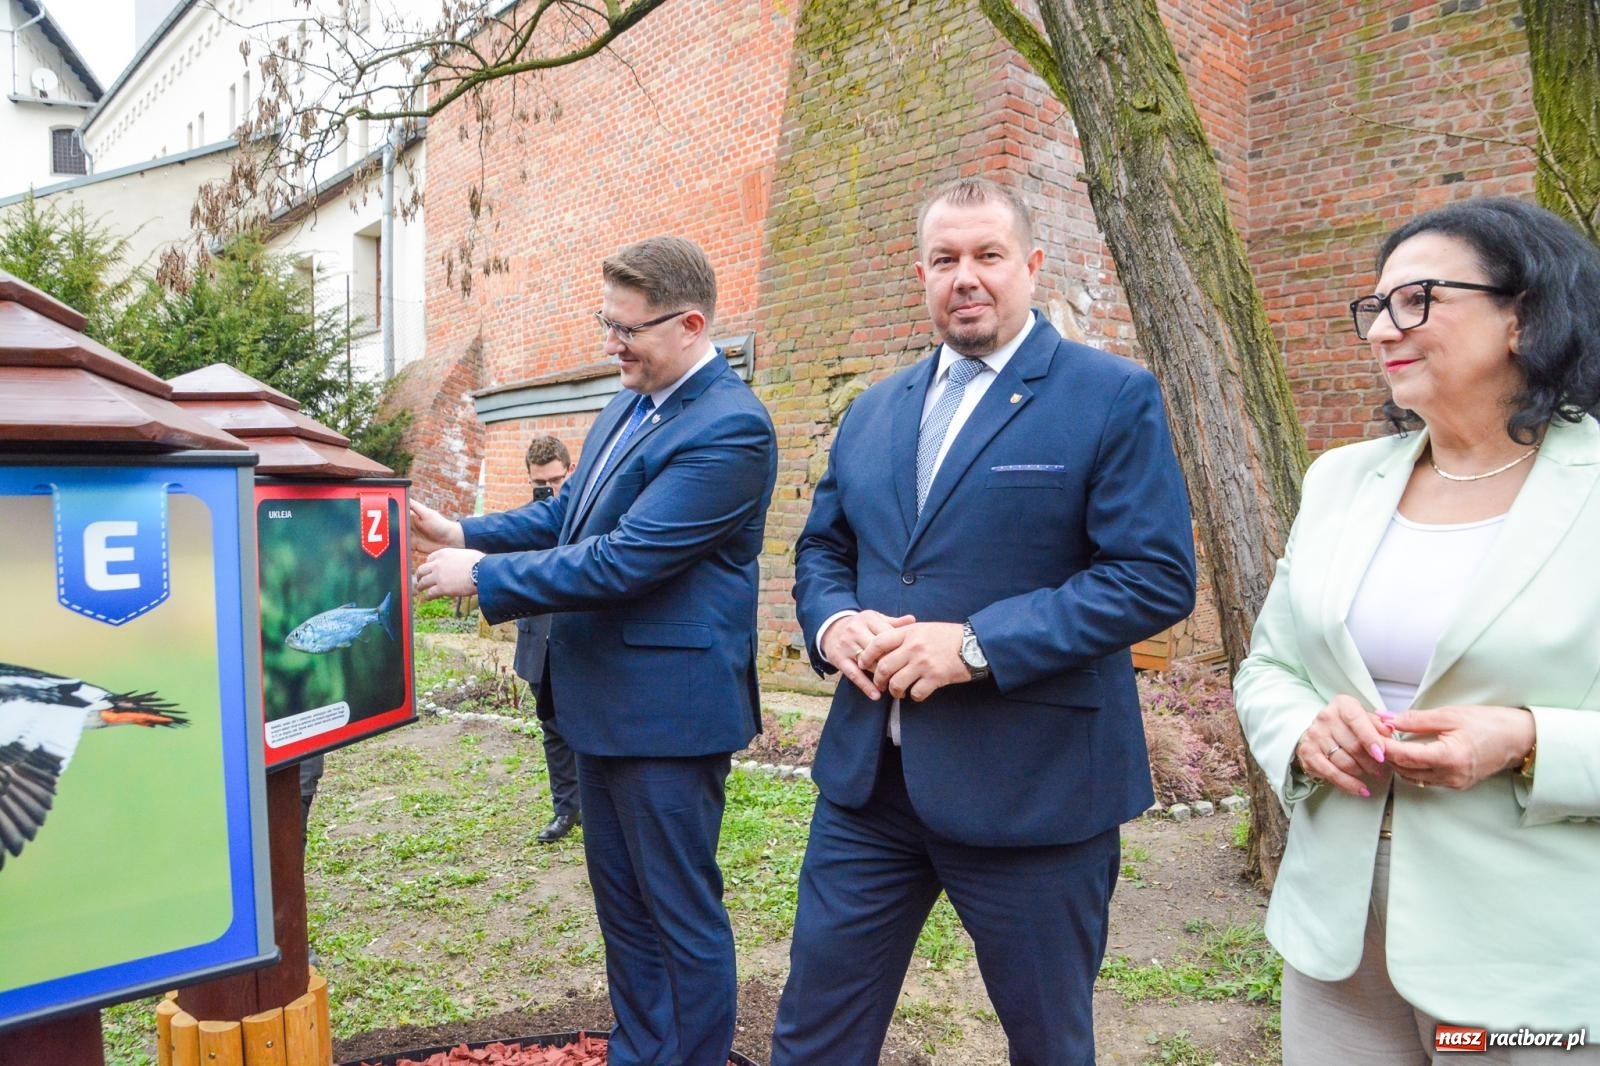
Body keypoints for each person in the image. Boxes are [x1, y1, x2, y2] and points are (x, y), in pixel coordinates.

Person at [771, 176, 1197, 1066]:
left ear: (1031, 265)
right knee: (813, 1037)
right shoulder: (873, 410)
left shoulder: (1110, 397)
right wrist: (832, 620)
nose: (965, 277)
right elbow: (823, 549)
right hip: (868, 792)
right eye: (945, 259)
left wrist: (975, 646)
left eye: (987, 256)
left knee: (1047, 1044)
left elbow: (1152, 579)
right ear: (922, 274)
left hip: (1035, 793)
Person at [1234, 197, 1600, 1061]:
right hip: (1338, 936)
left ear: (1525, 314)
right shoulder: (1341, 480)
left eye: (1419, 298)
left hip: (1529, 950)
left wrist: (1526, 740)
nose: (1381, 329)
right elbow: (1270, 668)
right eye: (1376, 307)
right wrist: (1304, 732)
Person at [411, 236, 777, 1066]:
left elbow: (627, 559)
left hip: (669, 718)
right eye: (604, 322)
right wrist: (465, 528)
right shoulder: (630, 401)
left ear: (689, 324)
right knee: (624, 908)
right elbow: (569, 516)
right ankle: (641, 1051)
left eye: (626, 328)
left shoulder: (731, 430)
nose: (610, 343)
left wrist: (485, 576)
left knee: (677, 913)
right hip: (602, 706)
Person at [514, 434, 582, 843]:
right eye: (541, 483)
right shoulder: (526, 522)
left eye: (556, 481)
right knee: (553, 730)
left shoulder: (589, 514)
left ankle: (597, 808)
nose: (550, 490)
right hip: (540, 641)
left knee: (590, 729)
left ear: (570, 472)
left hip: (582, 640)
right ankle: (566, 810)